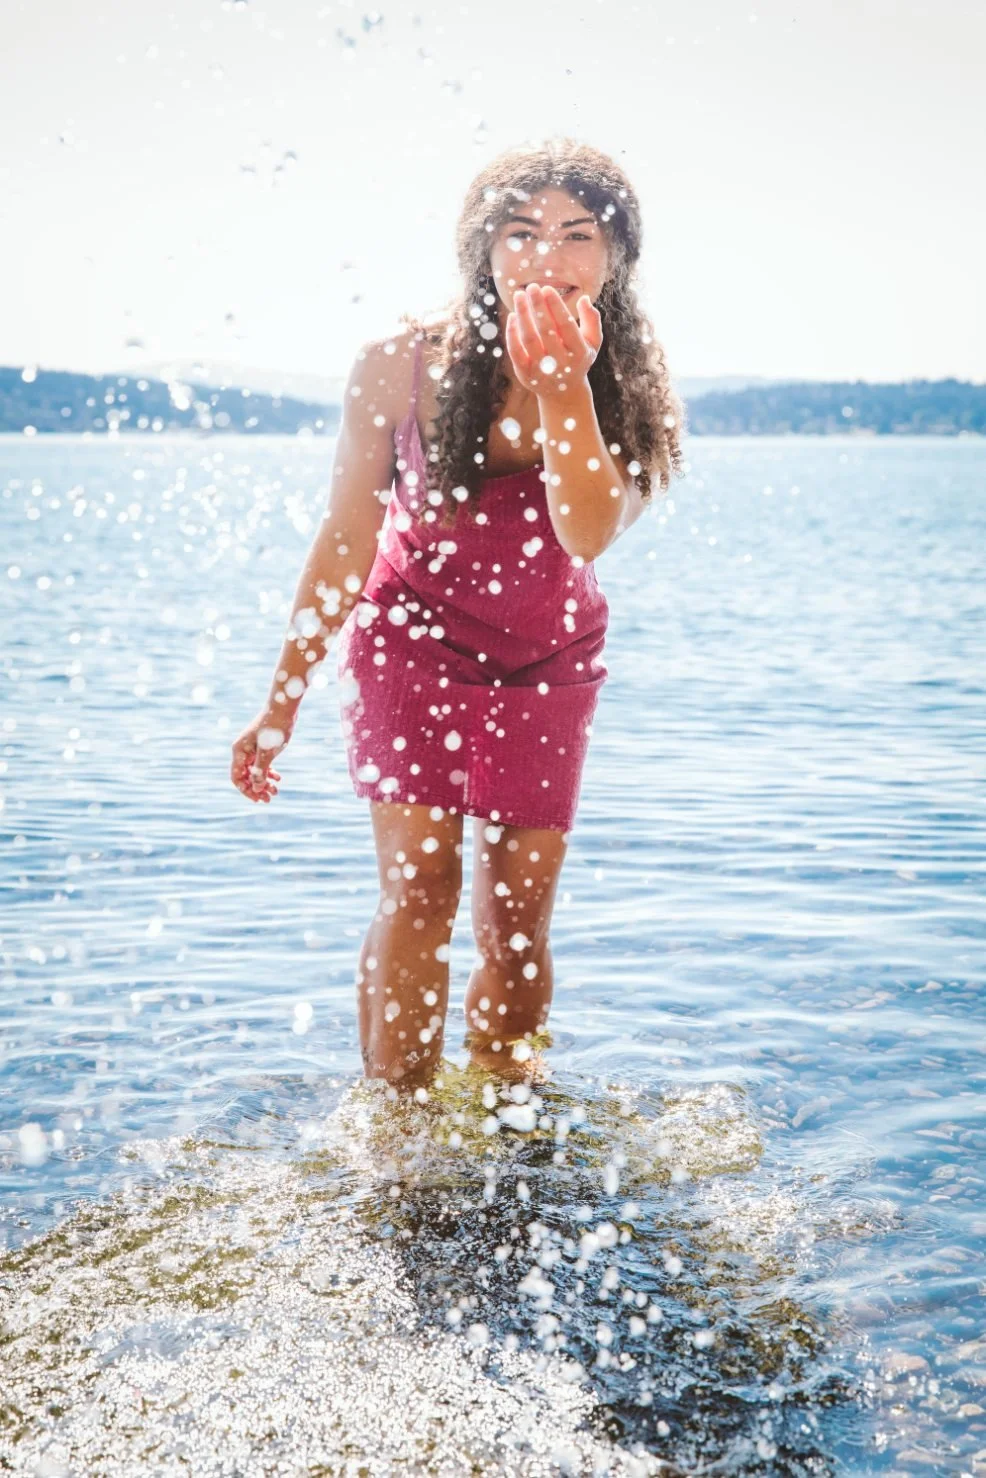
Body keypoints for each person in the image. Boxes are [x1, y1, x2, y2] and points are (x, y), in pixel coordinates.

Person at [230, 137, 684, 1091]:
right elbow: (347, 536)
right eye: (520, 234)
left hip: (547, 657)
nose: (546, 259)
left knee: (517, 914)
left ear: (616, 254)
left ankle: (505, 1117)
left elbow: (587, 530)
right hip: (412, 641)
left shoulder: (629, 381)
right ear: (483, 250)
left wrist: (566, 390)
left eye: (576, 235)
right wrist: (283, 700)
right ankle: (395, 1130)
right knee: (420, 888)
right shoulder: (398, 364)